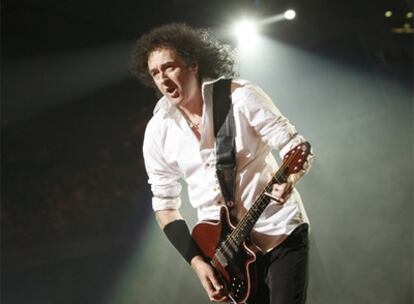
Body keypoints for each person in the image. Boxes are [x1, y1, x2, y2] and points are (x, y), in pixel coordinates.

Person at [132, 23, 313, 304]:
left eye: (169, 67)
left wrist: (288, 180)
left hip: (278, 230)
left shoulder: (240, 96)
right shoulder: (158, 131)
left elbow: (295, 146)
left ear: (192, 63)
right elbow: (165, 207)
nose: (163, 78)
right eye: (155, 73)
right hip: (225, 256)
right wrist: (198, 263)